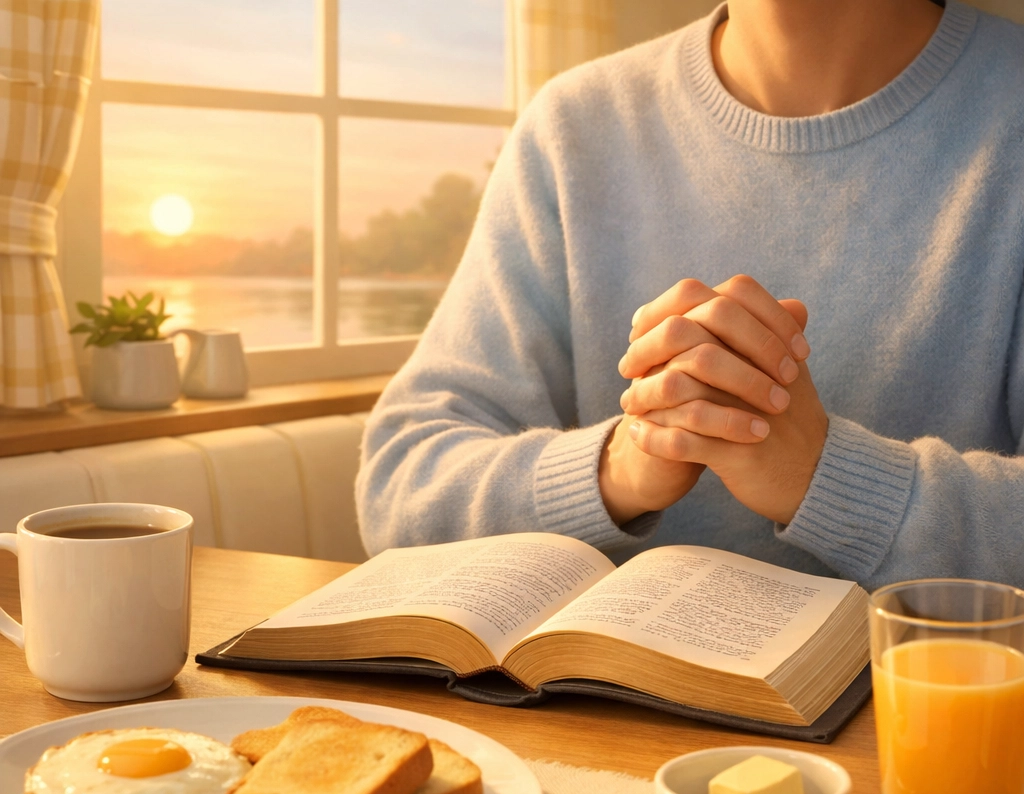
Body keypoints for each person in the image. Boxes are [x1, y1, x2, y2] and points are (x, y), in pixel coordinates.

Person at [356, 0, 1024, 589]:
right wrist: (621, 464)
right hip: (593, 723)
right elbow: (399, 487)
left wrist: (830, 479)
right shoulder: (573, 129)